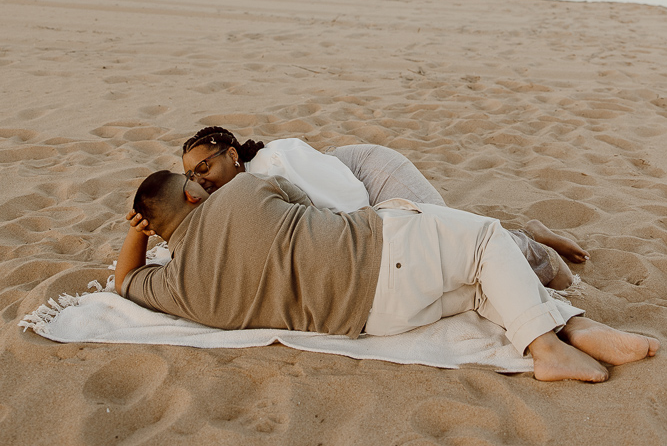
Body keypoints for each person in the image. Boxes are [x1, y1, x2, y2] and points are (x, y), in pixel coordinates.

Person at [116, 170, 659, 383]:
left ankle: (579, 328)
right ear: (192, 192)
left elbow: (122, 284)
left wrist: (137, 234)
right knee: (487, 239)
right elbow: (313, 204)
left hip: (372, 321)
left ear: (153, 228)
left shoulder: (175, 289)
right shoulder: (237, 192)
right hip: (379, 256)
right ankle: (546, 347)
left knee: (479, 288)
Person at [173, 127, 588, 289]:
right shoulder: (238, 189)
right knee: (452, 232)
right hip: (351, 185)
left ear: (231, 154)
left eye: (205, 165)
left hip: (368, 174)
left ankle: (534, 248)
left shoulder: (273, 160)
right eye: (192, 175)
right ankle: (528, 230)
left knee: (448, 228)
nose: (200, 177)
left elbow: (348, 195)